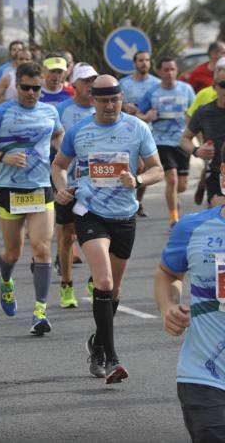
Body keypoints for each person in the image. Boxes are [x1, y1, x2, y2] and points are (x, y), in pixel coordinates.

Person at [52, 74, 163, 383]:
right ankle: (111, 358)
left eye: (115, 100)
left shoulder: (137, 128)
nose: (110, 106)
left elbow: (157, 169)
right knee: (102, 280)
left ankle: (97, 344)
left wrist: (138, 180)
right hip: (90, 212)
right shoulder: (79, 131)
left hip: (124, 215)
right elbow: (59, 166)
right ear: (93, 100)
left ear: (121, 98)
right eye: (103, 101)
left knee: (114, 289)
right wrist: (61, 188)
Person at [0, 61, 64, 335]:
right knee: (13, 252)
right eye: (25, 87)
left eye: (36, 88)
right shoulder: (1, 112)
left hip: (41, 189)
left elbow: (59, 135)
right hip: (10, 190)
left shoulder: (50, 111)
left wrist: (64, 158)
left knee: (41, 248)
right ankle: (5, 280)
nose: (31, 93)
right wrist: (3, 156)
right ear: (17, 86)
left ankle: (40, 311)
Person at [154, 151, 225, 443]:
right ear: (223, 172)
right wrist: (168, 307)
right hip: (206, 377)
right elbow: (168, 275)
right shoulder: (192, 228)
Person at [52, 63, 98, 308]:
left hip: (98, 186)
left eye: (93, 81)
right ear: (75, 85)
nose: (90, 86)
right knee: (68, 236)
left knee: (97, 235)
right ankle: (66, 284)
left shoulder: (103, 109)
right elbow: (49, 142)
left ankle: (95, 279)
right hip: (69, 183)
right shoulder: (61, 110)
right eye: (86, 81)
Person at [137, 57, 196, 228]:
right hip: (161, 142)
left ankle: (174, 197)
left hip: (182, 141)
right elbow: (139, 115)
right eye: (166, 70)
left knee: (182, 185)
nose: (169, 73)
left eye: (172, 69)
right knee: (171, 179)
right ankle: (174, 218)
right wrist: (147, 117)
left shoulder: (186, 90)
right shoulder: (152, 92)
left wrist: (197, 137)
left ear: (176, 71)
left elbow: (195, 114)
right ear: (160, 72)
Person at [181, 65, 225, 207]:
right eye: (223, 85)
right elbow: (184, 139)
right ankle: (203, 184)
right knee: (220, 217)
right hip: (216, 172)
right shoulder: (203, 112)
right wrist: (197, 150)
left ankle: (201, 185)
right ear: (215, 86)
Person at [120, 51, 161, 115]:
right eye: (141, 60)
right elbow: (117, 103)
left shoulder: (158, 83)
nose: (144, 63)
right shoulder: (123, 83)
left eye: (147, 60)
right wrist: (124, 107)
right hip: (130, 122)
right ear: (134, 63)